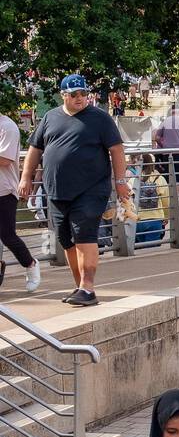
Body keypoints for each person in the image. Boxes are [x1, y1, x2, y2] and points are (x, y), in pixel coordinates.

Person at [18, 74, 130, 305]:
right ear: (64, 95)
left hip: (91, 189)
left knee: (84, 235)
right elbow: (35, 149)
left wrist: (120, 182)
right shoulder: (50, 117)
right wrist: (26, 177)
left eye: (83, 94)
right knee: (66, 239)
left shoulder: (100, 118)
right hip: (57, 191)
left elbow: (117, 150)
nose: (80, 98)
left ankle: (88, 288)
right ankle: (80, 287)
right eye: (74, 94)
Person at [0, 109, 39, 290]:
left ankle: (30, 264)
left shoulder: (7, 127)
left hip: (5, 191)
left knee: (7, 235)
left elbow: (5, 159)